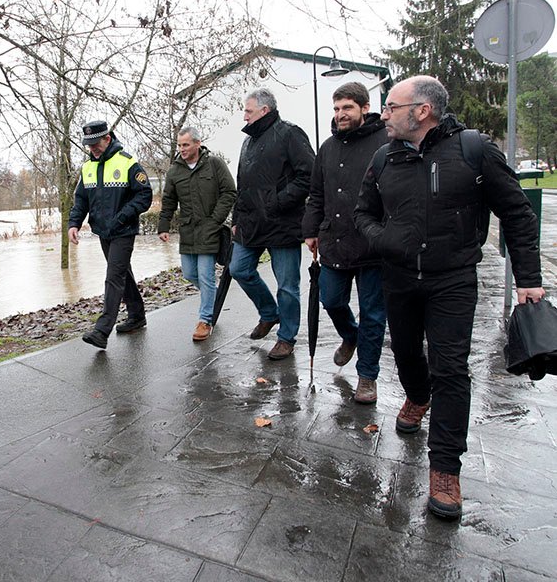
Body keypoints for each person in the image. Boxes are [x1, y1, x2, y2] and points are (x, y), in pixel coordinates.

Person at [354, 75, 545, 520]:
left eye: (391, 106)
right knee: (403, 355)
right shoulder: (384, 158)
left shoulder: (473, 150)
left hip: (453, 280)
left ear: (421, 111)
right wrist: (381, 239)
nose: (383, 113)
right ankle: (418, 395)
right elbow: (364, 211)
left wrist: (529, 278)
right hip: (399, 278)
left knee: (451, 369)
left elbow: (516, 211)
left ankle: (445, 470)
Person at [302, 81, 389, 404]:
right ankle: (350, 335)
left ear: (365, 108)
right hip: (334, 241)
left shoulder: (385, 142)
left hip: (373, 244)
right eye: (336, 109)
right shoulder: (327, 147)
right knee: (331, 299)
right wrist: (311, 230)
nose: (340, 114)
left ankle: (367, 377)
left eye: (347, 108)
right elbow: (317, 193)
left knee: (373, 314)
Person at [230, 88, 314, 360]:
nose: (244, 116)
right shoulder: (248, 142)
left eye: (248, 111)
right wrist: (236, 219)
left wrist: (276, 202)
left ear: (264, 110)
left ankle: (286, 337)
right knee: (239, 269)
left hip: (283, 223)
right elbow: (242, 184)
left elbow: (309, 175)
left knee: (287, 285)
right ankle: (269, 313)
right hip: (251, 223)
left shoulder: (290, 133)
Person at [68, 120, 153, 350]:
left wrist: (123, 216)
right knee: (122, 272)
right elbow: (81, 200)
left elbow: (144, 195)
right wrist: (74, 224)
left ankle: (102, 330)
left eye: (95, 143)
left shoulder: (127, 162)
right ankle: (137, 316)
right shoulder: (87, 168)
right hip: (103, 231)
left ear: (108, 138)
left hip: (124, 230)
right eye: (89, 145)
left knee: (113, 277)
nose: (92, 148)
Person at [158, 126, 237, 341]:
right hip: (188, 231)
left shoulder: (214, 164)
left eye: (186, 144)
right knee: (189, 274)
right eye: (179, 145)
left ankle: (205, 321)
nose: (182, 149)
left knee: (205, 275)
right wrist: (163, 226)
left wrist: (215, 220)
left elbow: (230, 192)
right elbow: (169, 201)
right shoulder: (175, 171)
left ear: (197, 143)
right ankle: (211, 298)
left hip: (210, 229)